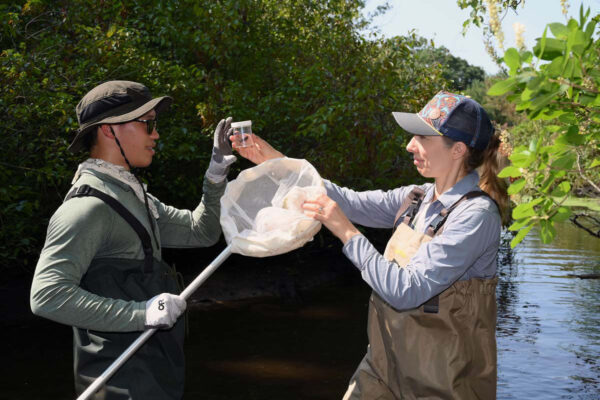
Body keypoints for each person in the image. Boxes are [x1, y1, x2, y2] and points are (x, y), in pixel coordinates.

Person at [233, 90, 509, 399]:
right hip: (384, 366)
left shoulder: (476, 215)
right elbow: (349, 201)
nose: (409, 146)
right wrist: (275, 161)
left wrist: (347, 233)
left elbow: (407, 291)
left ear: (457, 149)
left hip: (444, 382)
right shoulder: (416, 197)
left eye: (422, 138)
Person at [30, 80, 236, 400]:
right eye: (147, 124)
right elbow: (47, 295)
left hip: (155, 377)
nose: (156, 134)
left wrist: (217, 171)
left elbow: (202, 231)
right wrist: (142, 314)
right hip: (119, 385)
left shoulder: (137, 198)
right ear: (110, 130)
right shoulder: (87, 209)